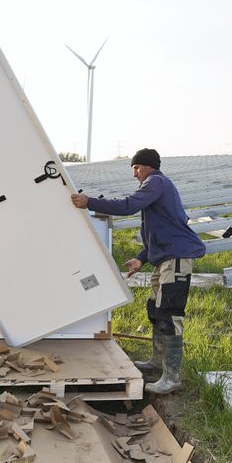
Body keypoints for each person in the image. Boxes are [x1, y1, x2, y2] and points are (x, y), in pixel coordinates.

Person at [70, 148, 205, 394]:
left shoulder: (156, 182)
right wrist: (141, 258)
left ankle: (172, 377)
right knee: (155, 309)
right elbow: (159, 232)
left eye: (136, 168)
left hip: (176, 258)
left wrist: (90, 202)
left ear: (148, 166)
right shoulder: (158, 187)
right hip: (166, 257)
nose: (134, 174)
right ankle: (157, 361)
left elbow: (129, 205)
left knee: (169, 313)